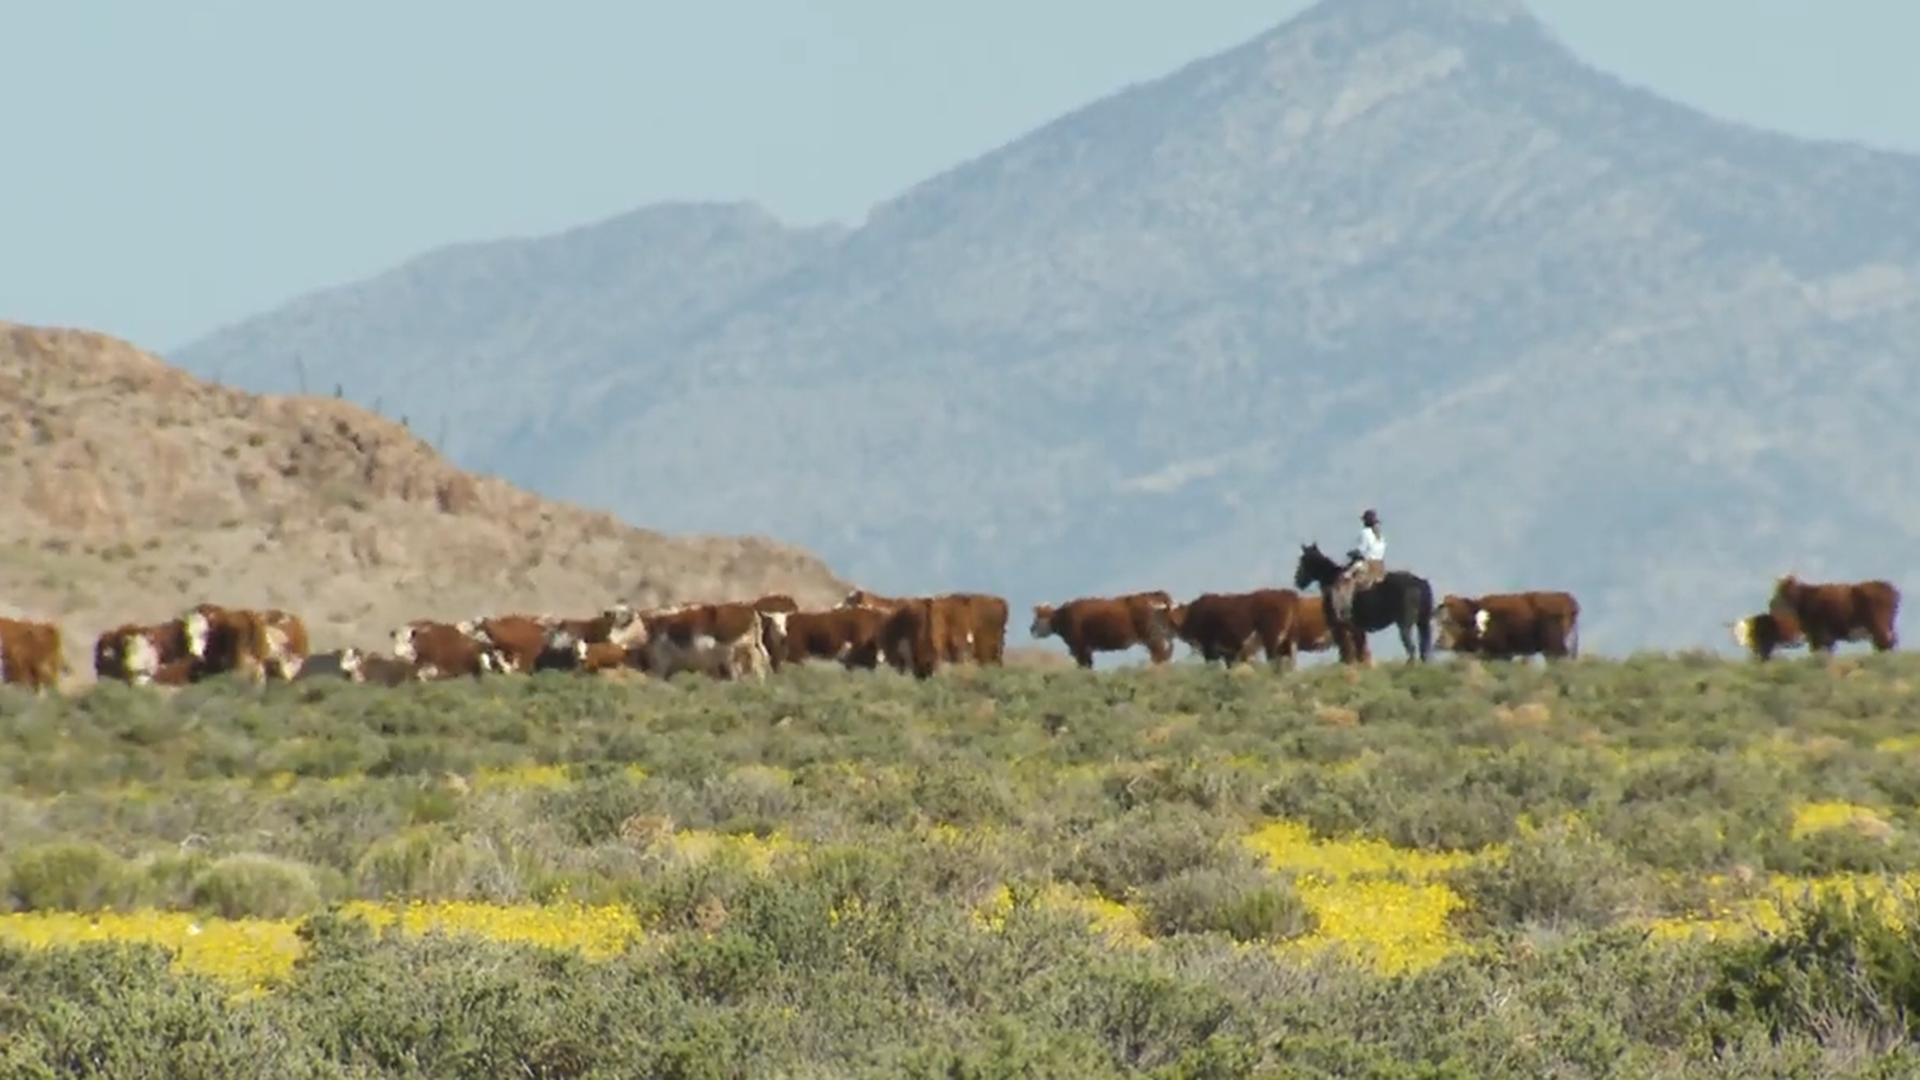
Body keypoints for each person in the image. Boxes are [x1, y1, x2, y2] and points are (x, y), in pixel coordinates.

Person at [1333, 509, 1387, 622]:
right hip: (1380, 566)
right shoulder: (1380, 536)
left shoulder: (1365, 532)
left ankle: (1346, 609)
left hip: (1368, 564)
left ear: (1366, 522)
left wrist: (1352, 553)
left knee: (1347, 581)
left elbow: (1362, 550)